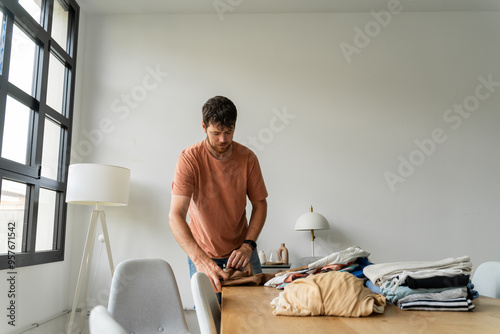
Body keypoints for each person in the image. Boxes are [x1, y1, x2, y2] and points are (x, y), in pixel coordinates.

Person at [169, 96, 268, 295]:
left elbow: (260, 205)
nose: (223, 139)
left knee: (257, 310)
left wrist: (248, 246)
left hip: (242, 252)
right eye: (216, 133)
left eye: (228, 132)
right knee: (211, 319)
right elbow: (175, 215)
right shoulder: (189, 159)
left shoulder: (248, 158)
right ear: (204, 127)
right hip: (203, 252)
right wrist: (199, 260)